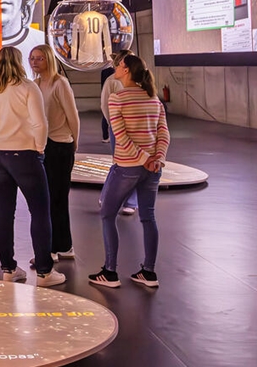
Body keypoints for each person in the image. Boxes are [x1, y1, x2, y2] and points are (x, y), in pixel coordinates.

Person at [0, 46, 63, 287]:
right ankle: (44, 272)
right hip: (24, 154)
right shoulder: (28, 87)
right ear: (20, 62)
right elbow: (40, 124)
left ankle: (8, 268)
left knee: (5, 210)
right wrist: (39, 148)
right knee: (40, 211)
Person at [90, 54, 169, 289]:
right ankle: (149, 272)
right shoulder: (154, 99)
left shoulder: (117, 98)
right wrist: (158, 159)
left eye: (118, 64)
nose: (115, 67)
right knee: (148, 217)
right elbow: (164, 134)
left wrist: (144, 159)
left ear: (126, 70)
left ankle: (110, 271)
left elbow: (120, 136)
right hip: (153, 169)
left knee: (107, 214)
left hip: (127, 167)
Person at [29, 44, 80, 263]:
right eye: (32, 58)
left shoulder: (60, 83)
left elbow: (73, 116)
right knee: (46, 198)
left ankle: (59, 246)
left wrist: (75, 144)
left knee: (57, 198)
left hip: (60, 145)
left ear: (49, 59)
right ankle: (59, 245)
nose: (34, 62)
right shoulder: (36, 84)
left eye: (39, 58)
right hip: (43, 146)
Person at [101, 50, 137, 216]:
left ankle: (131, 201)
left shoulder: (140, 79)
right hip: (117, 128)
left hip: (136, 129)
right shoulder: (111, 81)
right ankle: (107, 196)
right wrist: (112, 124)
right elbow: (105, 104)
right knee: (118, 164)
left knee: (136, 165)